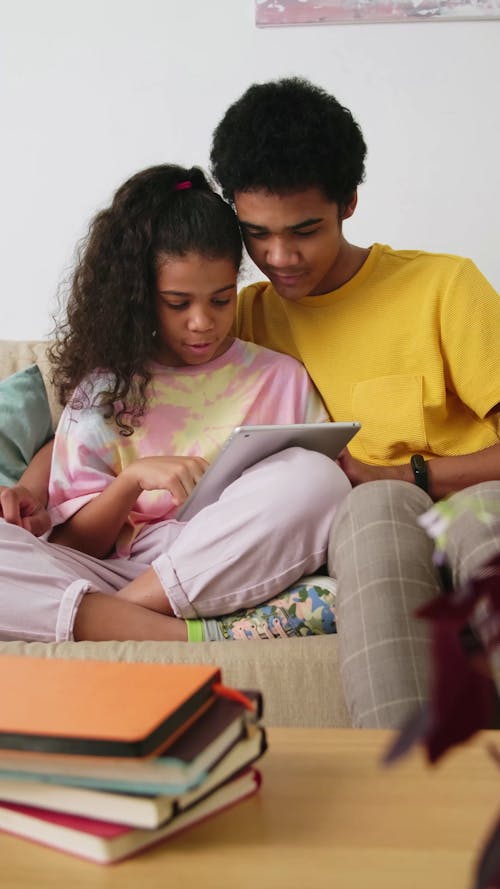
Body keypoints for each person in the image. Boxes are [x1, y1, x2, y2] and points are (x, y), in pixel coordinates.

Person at [209, 76, 500, 728]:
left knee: (476, 519)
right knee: (371, 512)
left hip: (476, 495)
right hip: (362, 523)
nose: (278, 257)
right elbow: (122, 401)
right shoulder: (238, 318)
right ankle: (407, 801)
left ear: (349, 202)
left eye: (304, 230)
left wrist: (408, 473)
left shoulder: (442, 285)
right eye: (255, 233)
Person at [0, 163, 352, 645]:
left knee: (319, 477)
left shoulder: (280, 377)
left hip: (228, 567)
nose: (202, 322)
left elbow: (307, 508)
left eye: (222, 300)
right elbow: (73, 544)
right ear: (142, 296)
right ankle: (196, 634)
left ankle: (125, 622)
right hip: (99, 576)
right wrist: (131, 482)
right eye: (178, 303)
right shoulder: (106, 388)